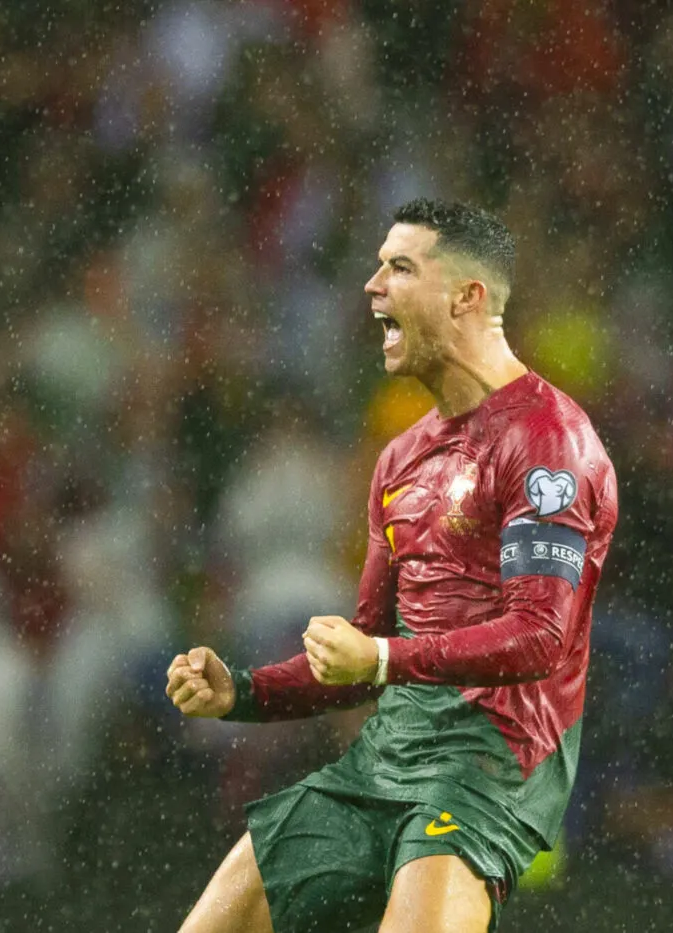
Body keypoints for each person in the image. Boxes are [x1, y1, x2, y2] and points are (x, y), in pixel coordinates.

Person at [165, 199, 619, 933]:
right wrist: (240, 693)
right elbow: (362, 647)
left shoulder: (547, 440)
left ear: (467, 297)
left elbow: (542, 635)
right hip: (381, 762)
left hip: (485, 768)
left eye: (399, 267)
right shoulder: (400, 458)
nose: (372, 285)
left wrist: (376, 658)